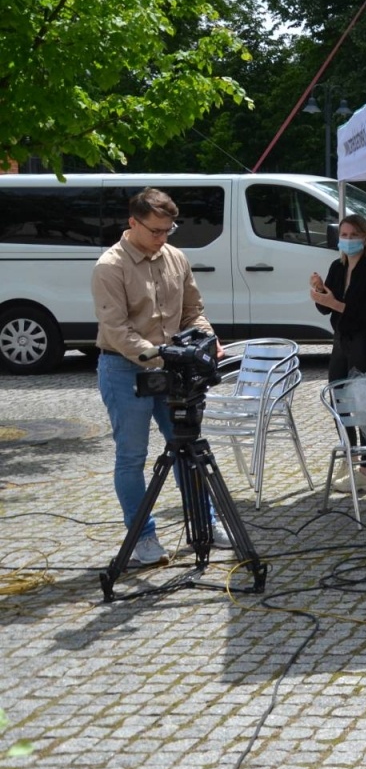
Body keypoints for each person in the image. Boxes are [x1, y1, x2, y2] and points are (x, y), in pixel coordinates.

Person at [92, 188, 221, 568]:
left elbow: (193, 310)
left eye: (168, 230)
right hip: (123, 368)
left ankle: (206, 524)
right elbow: (116, 329)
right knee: (132, 457)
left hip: (171, 368)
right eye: (155, 231)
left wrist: (205, 339)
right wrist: (159, 353)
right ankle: (143, 538)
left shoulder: (176, 257)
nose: (162, 238)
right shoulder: (109, 266)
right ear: (132, 223)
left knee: (187, 447)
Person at [311, 214, 366, 494]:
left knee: (365, 407)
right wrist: (319, 291)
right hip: (341, 342)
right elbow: (325, 307)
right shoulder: (337, 266)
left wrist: (336, 304)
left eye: (354, 235)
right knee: (338, 403)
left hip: (364, 343)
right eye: (344, 235)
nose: (348, 240)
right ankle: (350, 454)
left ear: (365, 238)